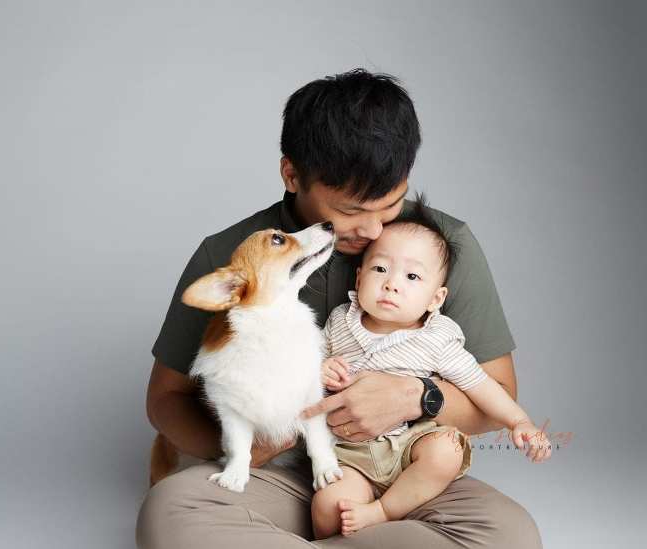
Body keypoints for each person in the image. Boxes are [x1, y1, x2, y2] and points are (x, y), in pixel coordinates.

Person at [137, 68, 544, 549]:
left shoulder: (439, 246)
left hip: (403, 472)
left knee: (511, 536)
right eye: (351, 211)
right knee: (171, 512)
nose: (373, 231)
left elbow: (498, 397)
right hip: (284, 477)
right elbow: (166, 399)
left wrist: (418, 397)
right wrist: (251, 450)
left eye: (390, 204)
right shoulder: (233, 255)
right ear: (292, 174)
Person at [311, 197, 551, 539]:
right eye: (380, 269)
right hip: (350, 451)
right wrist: (321, 368)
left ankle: (382, 510)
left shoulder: (437, 338)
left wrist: (519, 421)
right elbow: (307, 363)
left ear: (435, 299)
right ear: (360, 276)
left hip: (412, 443)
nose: (392, 283)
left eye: (411, 276)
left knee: (446, 450)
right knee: (328, 505)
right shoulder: (340, 322)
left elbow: (480, 385)